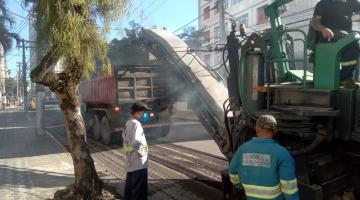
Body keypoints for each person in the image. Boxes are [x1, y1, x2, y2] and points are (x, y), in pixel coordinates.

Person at [228, 115, 299, 200]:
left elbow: (232, 171)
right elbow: (289, 187)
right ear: (275, 131)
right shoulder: (283, 153)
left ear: (257, 129)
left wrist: (239, 185)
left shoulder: (242, 150)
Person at [312, 0, 360, 88]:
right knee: (353, 42)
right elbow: (315, 23)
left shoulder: (353, 2)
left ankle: (346, 77)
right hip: (328, 34)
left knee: (354, 40)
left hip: (347, 33)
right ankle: (345, 78)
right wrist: (323, 29)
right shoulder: (322, 4)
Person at [123, 101, 151, 200]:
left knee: (130, 188)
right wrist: (142, 154)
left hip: (131, 162)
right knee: (139, 191)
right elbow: (136, 142)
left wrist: (129, 153)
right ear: (138, 112)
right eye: (144, 112)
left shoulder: (128, 123)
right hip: (139, 163)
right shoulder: (136, 124)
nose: (145, 114)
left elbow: (126, 144)